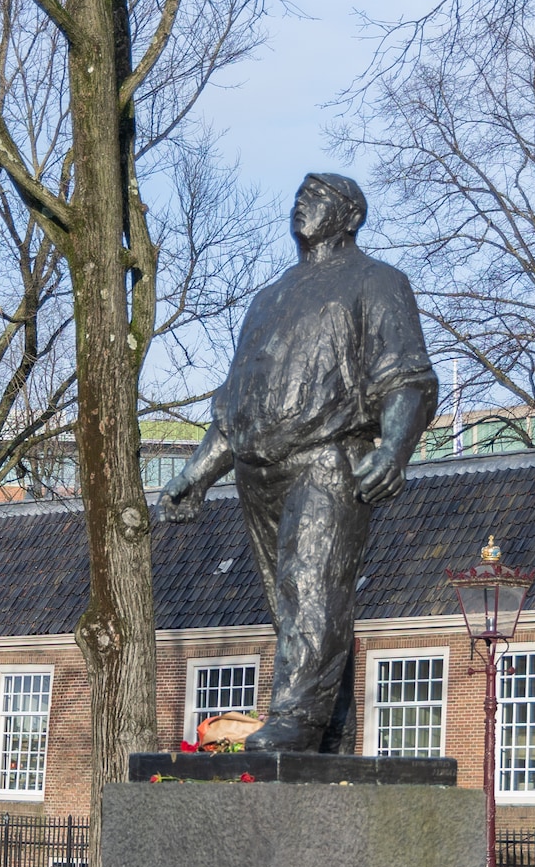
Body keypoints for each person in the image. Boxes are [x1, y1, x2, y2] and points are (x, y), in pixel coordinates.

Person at [159, 173, 438, 750]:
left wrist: (393, 447)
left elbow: (407, 376)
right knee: (295, 604)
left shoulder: (377, 283)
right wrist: (195, 473)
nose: (301, 204)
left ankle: (297, 717)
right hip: (258, 472)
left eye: (318, 197)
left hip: (328, 459)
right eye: (298, 196)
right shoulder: (269, 298)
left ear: (351, 215)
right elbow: (234, 407)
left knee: (311, 584)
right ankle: (329, 728)